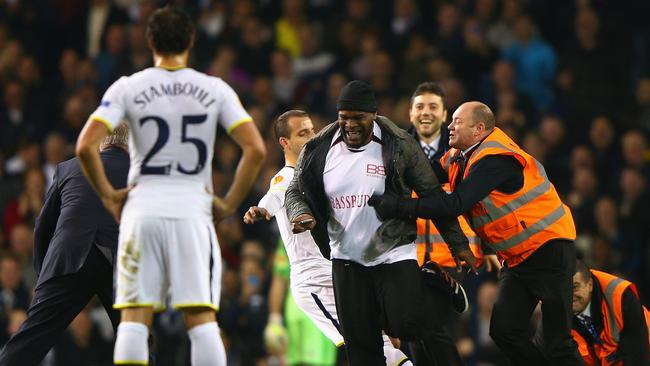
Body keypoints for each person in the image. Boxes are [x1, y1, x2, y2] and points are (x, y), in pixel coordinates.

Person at [75, 6, 266, 366]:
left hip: (141, 211)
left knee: (134, 317)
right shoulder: (214, 89)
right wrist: (227, 203)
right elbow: (255, 149)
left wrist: (108, 194)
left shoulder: (129, 87)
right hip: (192, 212)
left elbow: (85, 145)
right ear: (191, 41)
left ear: (150, 41)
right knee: (201, 319)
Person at [370, 101, 583, 365]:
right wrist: (379, 173)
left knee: (557, 343)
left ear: (479, 128)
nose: (449, 125)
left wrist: (400, 206)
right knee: (504, 331)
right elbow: (423, 176)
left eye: (457, 121)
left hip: (548, 249)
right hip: (518, 259)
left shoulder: (495, 159)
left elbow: (455, 204)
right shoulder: (459, 156)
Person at [284, 81, 476, 365]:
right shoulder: (320, 146)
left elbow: (432, 195)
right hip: (346, 259)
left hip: (392, 251)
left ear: (372, 115)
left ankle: (432, 282)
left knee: (406, 326)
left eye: (357, 117)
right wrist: (301, 213)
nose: (349, 125)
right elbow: (294, 190)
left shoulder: (399, 143)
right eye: (343, 117)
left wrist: (458, 243)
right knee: (361, 349)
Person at [245, 110, 411, 366]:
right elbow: (277, 193)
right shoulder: (288, 175)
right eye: (302, 133)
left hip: (347, 270)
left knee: (388, 344)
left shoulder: (324, 173)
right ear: (284, 143)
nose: (312, 137)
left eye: (312, 130)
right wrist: (262, 209)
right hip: (316, 280)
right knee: (370, 345)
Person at [0, 125, 129, 366]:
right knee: (136, 336)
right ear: (132, 146)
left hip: (69, 256)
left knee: (29, 340)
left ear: (100, 142)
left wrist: (42, 279)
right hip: (116, 263)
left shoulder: (70, 167)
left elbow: (42, 227)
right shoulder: (140, 175)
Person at [408, 82, 503, 365]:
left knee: (440, 328)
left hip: (455, 257)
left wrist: (487, 245)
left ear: (444, 114)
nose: (426, 112)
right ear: (410, 113)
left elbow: (485, 197)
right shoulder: (398, 150)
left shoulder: (459, 149)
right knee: (416, 333)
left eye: (433, 107)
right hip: (409, 259)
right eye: (420, 106)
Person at [571, 260, 649, 365]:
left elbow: (637, 354)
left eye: (575, 287)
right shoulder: (554, 315)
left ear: (589, 285)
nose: (569, 295)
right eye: (566, 289)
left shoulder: (622, 298)